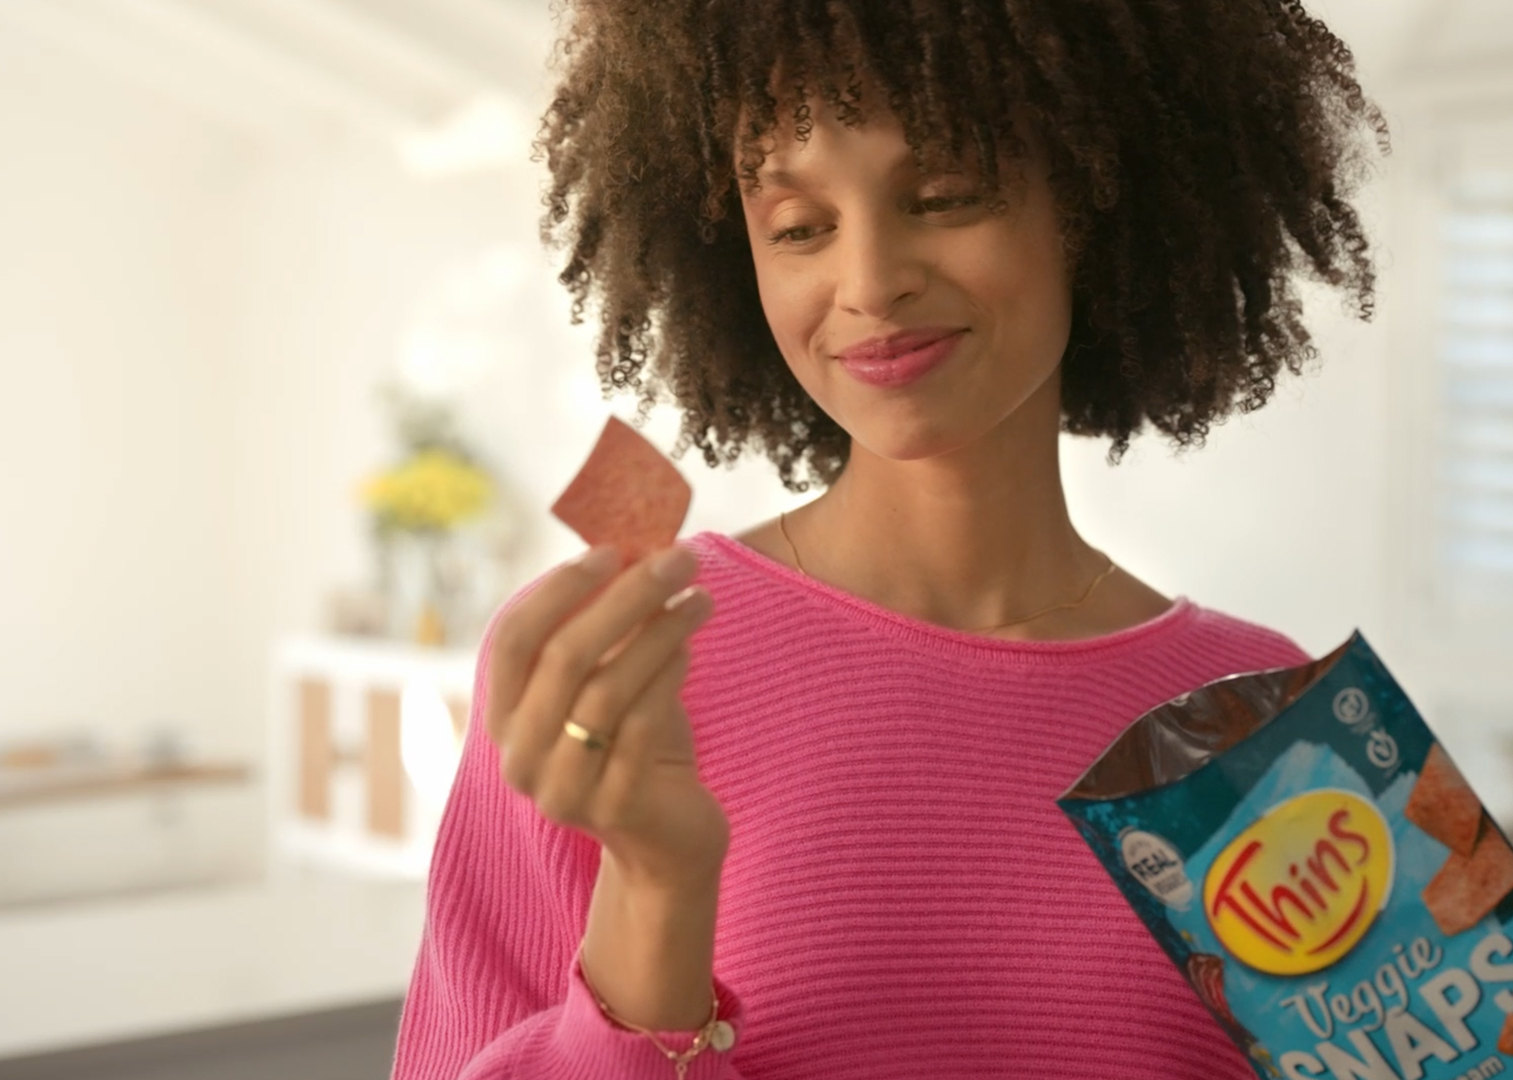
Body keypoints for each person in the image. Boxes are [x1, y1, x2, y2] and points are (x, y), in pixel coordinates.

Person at [391, 0, 1384, 1076]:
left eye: (947, 194)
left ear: (1101, 201)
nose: (869, 284)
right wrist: (657, 891)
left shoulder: (1266, 713)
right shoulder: (608, 671)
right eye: (800, 227)